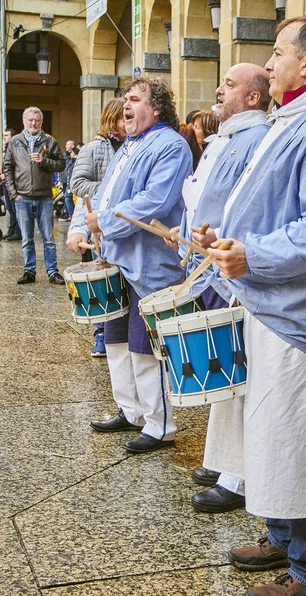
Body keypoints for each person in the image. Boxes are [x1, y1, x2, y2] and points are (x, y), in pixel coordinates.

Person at [203, 16, 306, 596]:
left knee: (291, 440)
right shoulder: (293, 119)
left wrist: (253, 254)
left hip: (292, 309)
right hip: (266, 296)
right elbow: (271, 210)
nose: (268, 64)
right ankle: (281, 536)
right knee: (265, 434)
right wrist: (224, 240)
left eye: (277, 53)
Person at [67, 76, 192, 454]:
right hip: (118, 259)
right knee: (116, 339)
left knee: (144, 344)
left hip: (151, 264)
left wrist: (101, 222)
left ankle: (160, 424)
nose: (126, 104)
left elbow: (154, 200)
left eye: (135, 98)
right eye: (125, 98)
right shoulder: (128, 146)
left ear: (156, 108)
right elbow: (100, 194)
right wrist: (78, 227)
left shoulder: (171, 145)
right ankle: (130, 409)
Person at [168, 63, 271, 514]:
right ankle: (222, 459)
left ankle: (239, 475)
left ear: (252, 97)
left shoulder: (254, 137)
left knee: (236, 375)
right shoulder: (227, 136)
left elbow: (248, 209)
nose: (218, 89)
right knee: (225, 372)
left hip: (230, 268)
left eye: (229, 84)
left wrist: (216, 240)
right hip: (210, 263)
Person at [70, 97, 127, 357]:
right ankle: (101, 334)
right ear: (111, 119)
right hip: (100, 225)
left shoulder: (135, 146)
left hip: (124, 223)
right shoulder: (93, 149)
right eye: (122, 118)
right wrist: (109, 192)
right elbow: (78, 184)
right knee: (103, 283)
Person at [3, 107, 66, 285]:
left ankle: (53, 272)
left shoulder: (49, 141)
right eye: (30, 120)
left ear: (41, 122)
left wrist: (44, 160)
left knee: (49, 239)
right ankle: (29, 271)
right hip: (22, 198)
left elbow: (61, 165)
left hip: (44, 197)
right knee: (27, 239)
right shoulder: (15, 142)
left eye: (37, 120)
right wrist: (13, 194)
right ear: (24, 121)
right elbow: (7, 167)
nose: (33, 123)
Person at [1, 128, 21, 241]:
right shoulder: (5, 149)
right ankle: (11, 230)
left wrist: (7, 175)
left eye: (6, 135)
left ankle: (18, 232)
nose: (4, 137)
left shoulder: (15, 149)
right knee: (10, 209)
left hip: (12, 182)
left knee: (15, 208)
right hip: (5, 183)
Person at [61, 146, 79, 221]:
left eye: (71, 152)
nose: (70, 154)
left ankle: (72, 215)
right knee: (67, 198)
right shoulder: (70, 161)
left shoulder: (75, 161)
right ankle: (71, 215)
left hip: (72, 183)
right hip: (68, 182)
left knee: (68, 199)